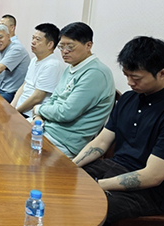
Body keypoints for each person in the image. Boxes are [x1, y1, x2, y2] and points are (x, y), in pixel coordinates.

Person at [73, 36, 164, 226]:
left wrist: (96, 185)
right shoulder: (128, 98)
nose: (129, 82)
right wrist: (70, 167)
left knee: (87, 203)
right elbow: (101, 142)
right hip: (114, 167)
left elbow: (153, 176)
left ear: (162, 73)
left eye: (136, 77)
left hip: (151, 191)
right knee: (61, 184)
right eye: (126, 75)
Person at [32, 22, 115, 158]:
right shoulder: (72, 67)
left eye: (70, 47)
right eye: (61, 47)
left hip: (64, 142)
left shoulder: (95, 73)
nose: (64, 51)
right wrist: (39, 115)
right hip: (47, 129)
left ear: (88, 45)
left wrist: (39, 109)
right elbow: (54, 99)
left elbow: (66, 113)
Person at [11, 23, 65, 118]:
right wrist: (12, 107)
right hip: (19, 109)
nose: (33, 42)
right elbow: (24, 85)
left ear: (50, 44)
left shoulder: (52, 65)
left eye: (38, 39)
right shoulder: (34, 60)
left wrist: (15, 112)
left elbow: (37, 97)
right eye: (33, 38)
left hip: (31, 114)